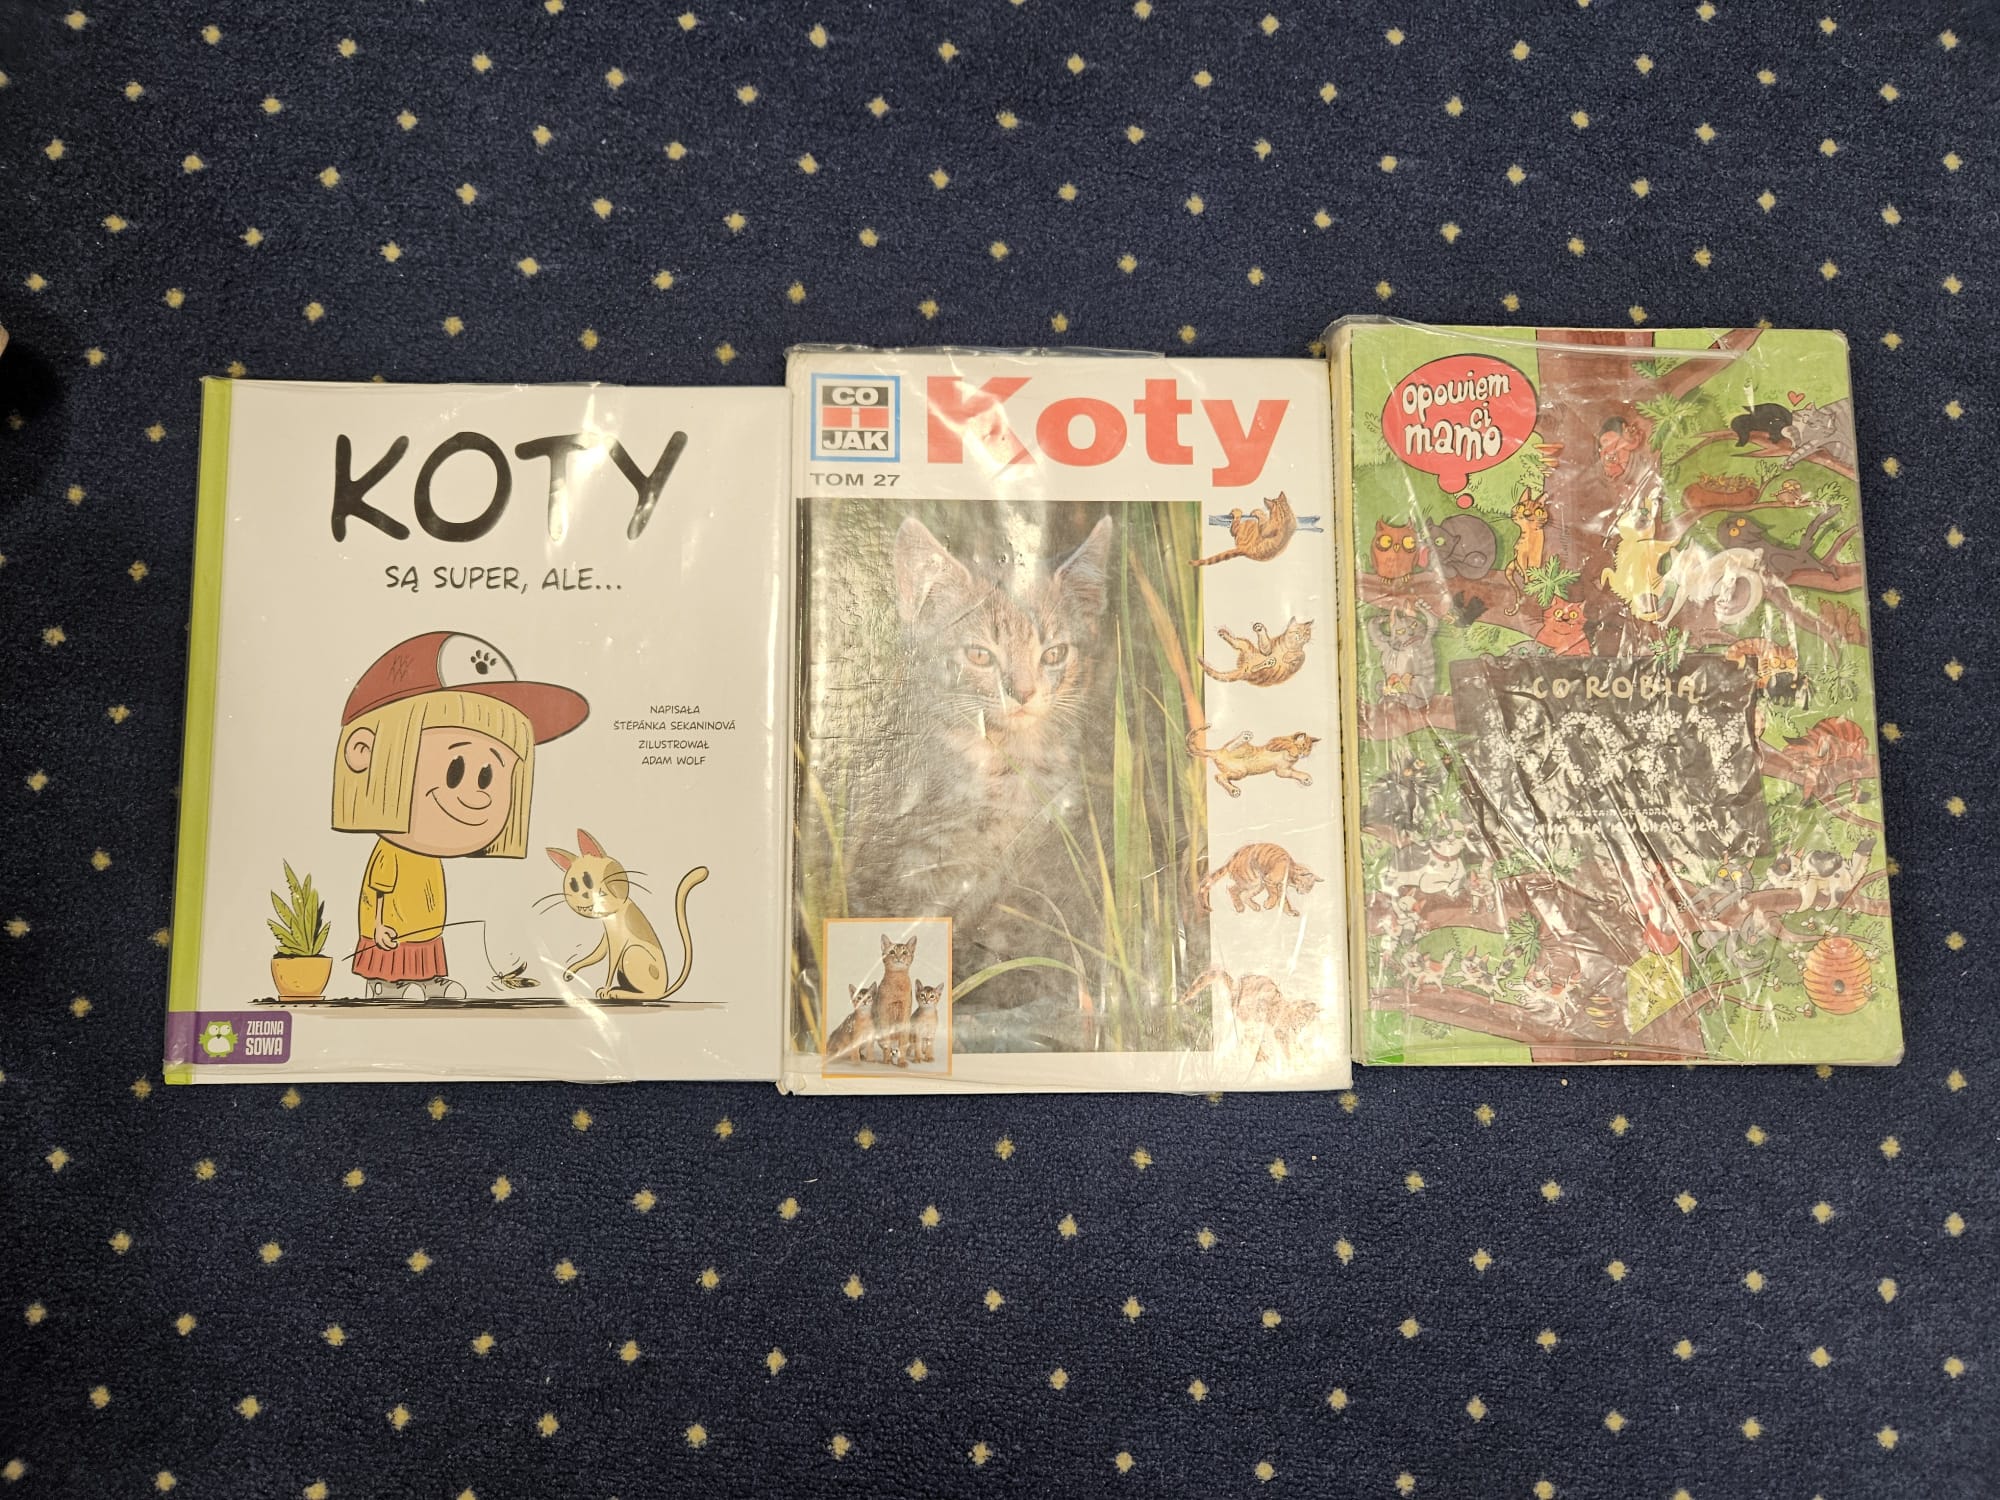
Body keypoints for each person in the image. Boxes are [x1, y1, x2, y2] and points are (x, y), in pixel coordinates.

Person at [330, 631, 587, 1000]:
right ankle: (387, 982)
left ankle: (428, 979)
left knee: (424, 948)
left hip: (426, 931)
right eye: (455, 769)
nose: (477, 794)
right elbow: (378, 892)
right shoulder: (393, 851)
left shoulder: (428, 853)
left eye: (488, 776)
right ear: (364, 752)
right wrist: (377, 927)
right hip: (392, 932)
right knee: (398, 954)